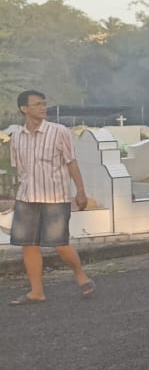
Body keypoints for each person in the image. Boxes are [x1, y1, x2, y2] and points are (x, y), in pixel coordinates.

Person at [7, 90, 95, 305]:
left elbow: (71, 162)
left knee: (60, 244)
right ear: (24, 109)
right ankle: (36, 292)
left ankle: (80, 274)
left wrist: (80, 191)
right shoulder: (16, 136)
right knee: (28, 245)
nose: (43, 107)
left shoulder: (59, 132)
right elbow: (20, 169)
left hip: (55, 197)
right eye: (37, 104)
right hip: (27, 197)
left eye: (44, 104)